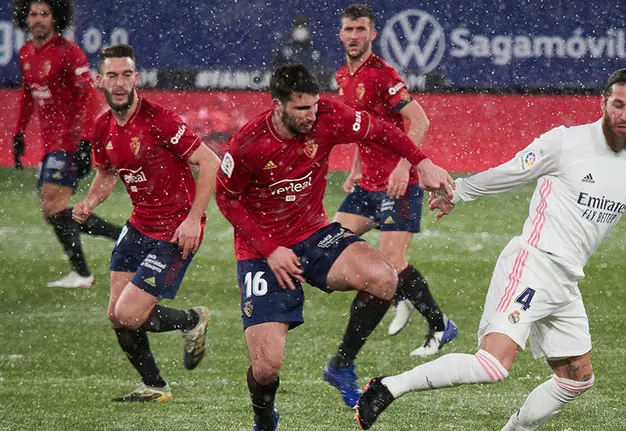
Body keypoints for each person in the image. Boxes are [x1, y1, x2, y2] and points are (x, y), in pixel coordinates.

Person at [354, 68, 626, 430]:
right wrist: (459, 192)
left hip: (566, 283)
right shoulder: (565, 143)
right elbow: (511, 172)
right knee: (492, 366)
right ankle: (389, 386)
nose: (625, 115)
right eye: (618, 104)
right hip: (533, 264)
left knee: (576, 380)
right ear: (603, 103)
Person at [215, 64, 453, 431]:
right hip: (262, 252)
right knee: (266, 368)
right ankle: (264, 419)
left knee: (384, 278)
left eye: (313, 105)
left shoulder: (328, 116)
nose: (311, 115)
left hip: (314, 234)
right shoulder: (247, 144)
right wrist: (269, 249)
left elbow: (381, 130)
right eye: (300, 109)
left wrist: (421, 162)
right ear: (277, 105)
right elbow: (227, 199)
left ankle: (341, 364)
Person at [73, 44, 220, 402]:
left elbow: (211, 162)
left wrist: (192, 219)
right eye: (112, 75)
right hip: (139, 225)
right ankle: (155, 386)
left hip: (176, 231)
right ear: (100, 80)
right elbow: (107, 174)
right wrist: (90, 201)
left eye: (127, 75)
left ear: (136, 78)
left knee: (128, 313)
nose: (120, 83)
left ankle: (191, 320)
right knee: (116, 315)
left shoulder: (160, 120)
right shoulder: (102, 127)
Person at [332, 3, 457, 358]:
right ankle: (399, 293)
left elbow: (419, 121)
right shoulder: (344, 76)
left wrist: (405, 166)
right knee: (330, 242)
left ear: (372, 34)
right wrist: (356, 166)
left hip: (397, 184)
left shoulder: (384, 75)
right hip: (367, 184)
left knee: (392, 264)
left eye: (361, 30)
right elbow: (363, 125)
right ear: (340, 34)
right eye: (348, 29)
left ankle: (439, 325)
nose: (354, 36)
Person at [11, 0, 121, 288]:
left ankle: (83, 273)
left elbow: (89, 96)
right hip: (50, 142)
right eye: (33, 14)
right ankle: (123, 238)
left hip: (70, 139)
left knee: (52, 205)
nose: (38, 19)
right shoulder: (26, 53)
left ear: (55, 18)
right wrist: (19, 133)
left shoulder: (69, 53)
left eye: (44, 14)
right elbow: (27, 95)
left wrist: (86, 139)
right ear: (25, 17)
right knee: (54, 211)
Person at [272, 15, 334, 91]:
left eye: (303, 28)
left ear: (308, 30)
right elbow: (276, 69)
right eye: (298, 27)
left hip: (310, 89)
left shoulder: (315, 49)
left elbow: (322, 70)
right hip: (288, 89)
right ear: (293, 30)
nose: (301, 30)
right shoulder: (283, 49)